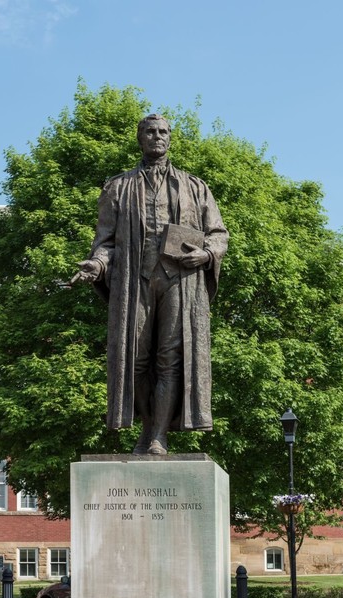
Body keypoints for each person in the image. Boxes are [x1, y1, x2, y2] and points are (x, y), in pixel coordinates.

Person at [71, 114, 228, 455]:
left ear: (170, 138)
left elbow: (218, 235)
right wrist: (97, 264)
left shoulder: (195, 187)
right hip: (135, 280)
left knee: (170, 358)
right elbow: (106, 242)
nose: (157, 137)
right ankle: (147, 427)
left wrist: (205, 254)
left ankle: (157, 435)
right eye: (150, 132)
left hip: (179, 282)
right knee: (136, 359)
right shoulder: (118, 187)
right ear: (139, 138)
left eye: (163, 132)